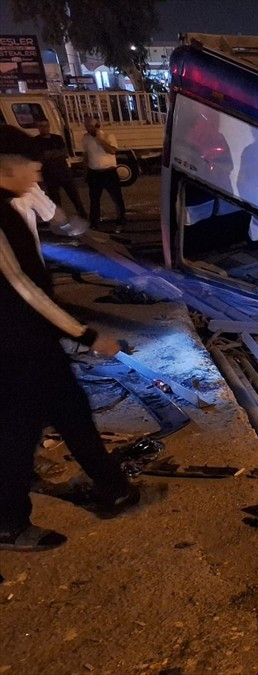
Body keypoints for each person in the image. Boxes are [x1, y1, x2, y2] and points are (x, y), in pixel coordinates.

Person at [0, 125, 139, 552]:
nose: (39, 178)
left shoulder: (9, 207)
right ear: (7, 167)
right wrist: (86, 335)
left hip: (32, 342)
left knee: (71, 411)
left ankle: (113, 487)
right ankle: (8, 525)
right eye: (34, 169)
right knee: (16, 433)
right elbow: (23, 289)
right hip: (16, 346)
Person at [32, 120, 86, 217]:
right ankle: (60, 219)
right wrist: (54, 153)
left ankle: (83, 215)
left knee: (75, 197)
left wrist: (50, 154)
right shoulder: (35, 141)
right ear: (38, 127)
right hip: (49, 175)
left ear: (49, 126)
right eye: (41, 126)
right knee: (55, 200)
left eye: (45, 126)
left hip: (64, 173)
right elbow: (40, 156)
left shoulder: (57, 138)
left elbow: (64, 152)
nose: (43, 128)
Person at [81, 115, 125, 233]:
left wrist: (99, 138)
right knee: (94, 200)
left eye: (90, 126)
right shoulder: (85, 138)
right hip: (94, 173)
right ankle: (94, 223)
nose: (87, 128)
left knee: (116, 198)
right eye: (86, 126)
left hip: (109, 172)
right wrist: (85, 173)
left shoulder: (108, 136)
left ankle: (120, 222)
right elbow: (86, 156)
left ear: (97, 125)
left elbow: (111, 151)